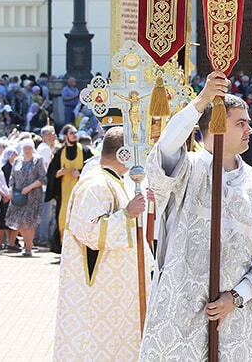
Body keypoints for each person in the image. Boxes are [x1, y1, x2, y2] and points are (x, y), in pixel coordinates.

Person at [140, 73, 252, 361]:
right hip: (179, 310)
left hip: (234, 316)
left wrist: (236, 297)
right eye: (240, 123)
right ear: (215, 125)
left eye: (248, 123)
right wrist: (202, 100)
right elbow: (166, 149)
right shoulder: (186, 170)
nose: (250, 129)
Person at [54, 127, 152, 361]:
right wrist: (126, 215)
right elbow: (88, 232)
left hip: (117, 287)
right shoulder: (95, 184)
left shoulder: (113, 180)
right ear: (124, 155)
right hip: (101, 289)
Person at [45, 123, 93, 252]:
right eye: (72, 133)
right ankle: (64, 246)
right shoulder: (60, 152)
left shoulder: (85, 151)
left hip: (82, 193)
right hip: (64, 193)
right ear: (66, 136)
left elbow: (94, 168)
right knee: (62, 219)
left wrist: (80, 172)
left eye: (76, 133)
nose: (75, 135)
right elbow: (51, 171)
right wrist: (58, 173)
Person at [4, 139, 46, 257]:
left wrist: (30, 187)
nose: (27, 151)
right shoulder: (17, 160)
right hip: (18, 195)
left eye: (29, 148)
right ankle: (26, 244)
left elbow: (43, 178)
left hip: (32, 195)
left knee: (29, 221)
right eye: (25, 148)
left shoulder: (38, 161)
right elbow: (12, 177)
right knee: (19, 221)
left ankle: (28, 247)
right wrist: (11, 190)